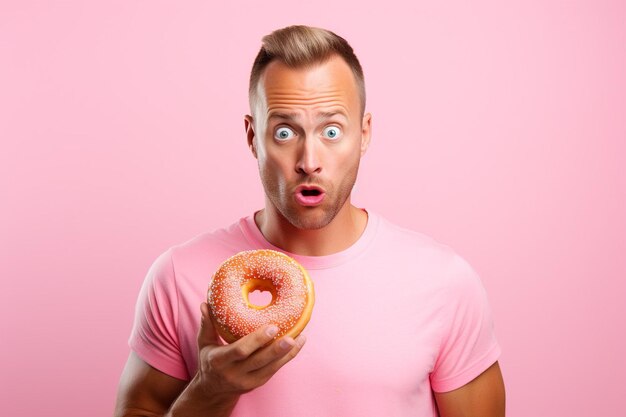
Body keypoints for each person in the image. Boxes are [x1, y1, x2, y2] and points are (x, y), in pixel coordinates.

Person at [113, 25, 505, 417]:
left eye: (331, 131)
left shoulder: (442, 282)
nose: (309, 160)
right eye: (284, 132)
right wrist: (210, 391)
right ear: (253, 137)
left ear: (364, 134)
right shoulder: (180, 276)